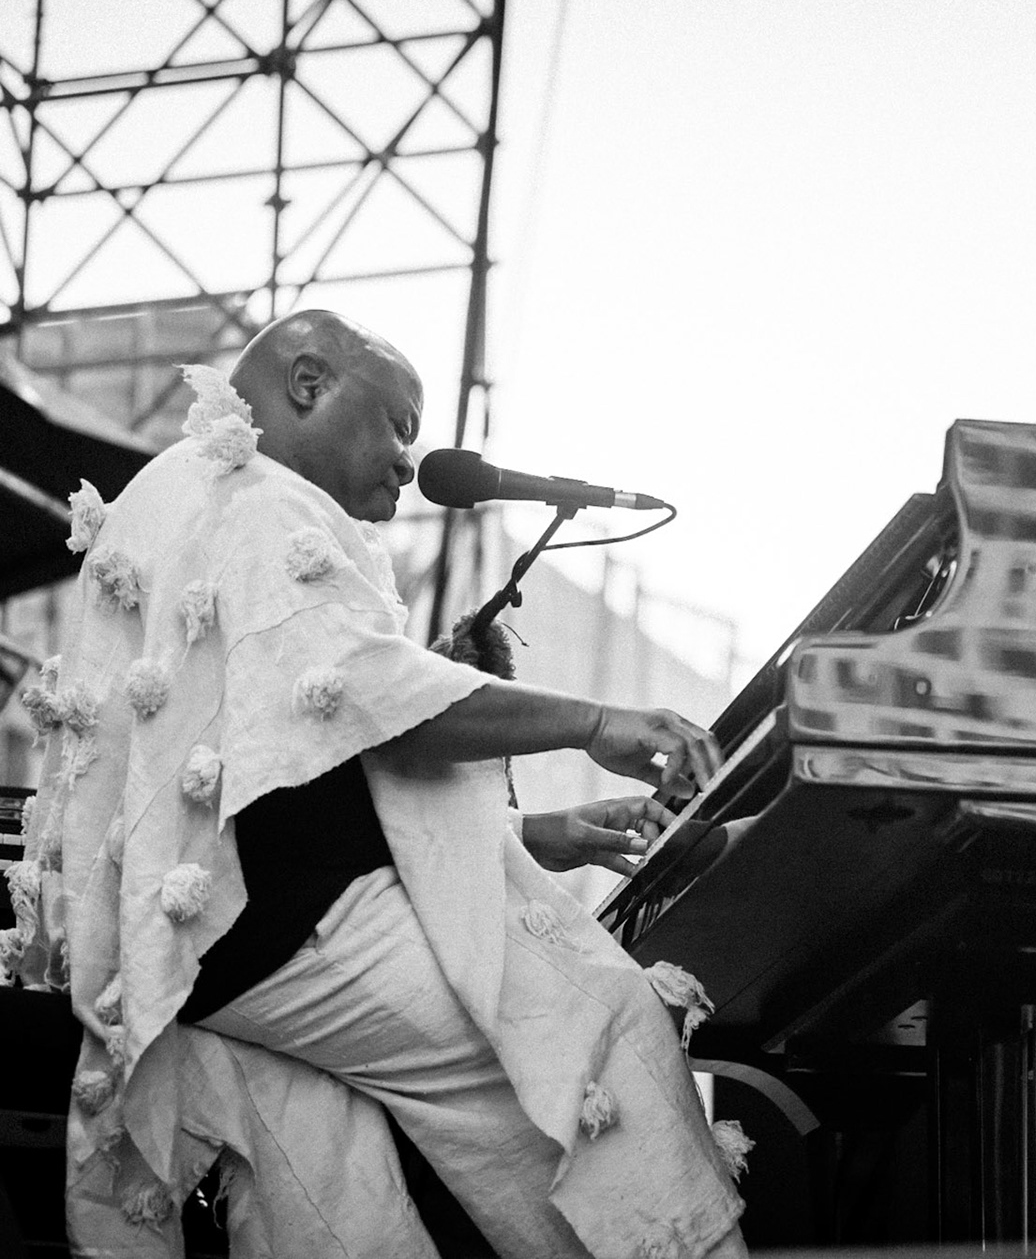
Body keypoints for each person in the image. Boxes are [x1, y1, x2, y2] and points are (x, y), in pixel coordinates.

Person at [6, 311, 748, 1258]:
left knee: (335, 1211)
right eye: (399, 424)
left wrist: (536, 835)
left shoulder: (192, 488)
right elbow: (371, 695)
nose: (409, 459)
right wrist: (597, 722)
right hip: (279, 931)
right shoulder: (260, 494)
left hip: (204, 950)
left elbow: (286, 782)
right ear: (309, 383)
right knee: (590, 1031)